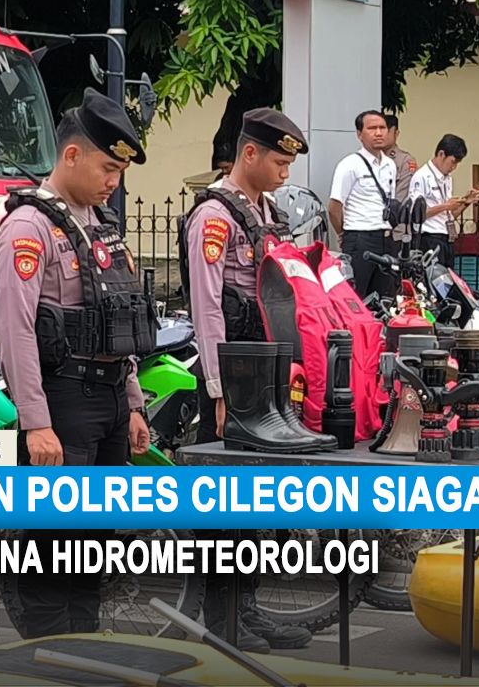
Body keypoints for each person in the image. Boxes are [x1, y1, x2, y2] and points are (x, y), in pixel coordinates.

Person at [0, 88, 153, 638]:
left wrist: (132, 403)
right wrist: (35, 422)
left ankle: (83, 651)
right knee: (53, 547)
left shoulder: (99, 223)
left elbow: (118, 318)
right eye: (108, 168)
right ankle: (47, 656)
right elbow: (14, 330)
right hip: (63, 400)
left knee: (92, 548)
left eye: (120, 172)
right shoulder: (28, 227)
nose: (114, 182)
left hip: (108, 400)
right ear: (72, 155)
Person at [181, 108, 315, 653]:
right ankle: (221, 622)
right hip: (232, 379)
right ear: (250, 153)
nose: (285, 172)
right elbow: (208, 308)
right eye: (279, 161)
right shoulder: (214, 216)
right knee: (223, 506)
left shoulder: (266, 212)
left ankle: (247, 608)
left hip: (269, 375)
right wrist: (218, 391)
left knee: (257, 504)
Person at [329, 110, 399, 299]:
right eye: (372, 128)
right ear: (359, 134)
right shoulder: (349, 165)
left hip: (386, 238)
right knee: (356, 297)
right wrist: (343, 234)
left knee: (385, 298)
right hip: (360, 238)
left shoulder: (390, 165)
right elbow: (334, 207)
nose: (379, 133)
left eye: (382, 128)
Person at [410, 134, 479, 269]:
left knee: (448, 278)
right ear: (441, 154)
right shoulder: (421, 176)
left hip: (447, 237)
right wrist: (445, 206)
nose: (454, 167)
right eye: (453, 162)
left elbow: (449, 215)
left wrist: (466, 202)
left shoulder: (447, 178)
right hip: (429, 238)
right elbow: (416, 215)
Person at [384, 114, 416, 203]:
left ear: (396, 134)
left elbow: (401, 198)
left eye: (387, 131)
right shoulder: (371, 158)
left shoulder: (405, 161)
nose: (382, 135)